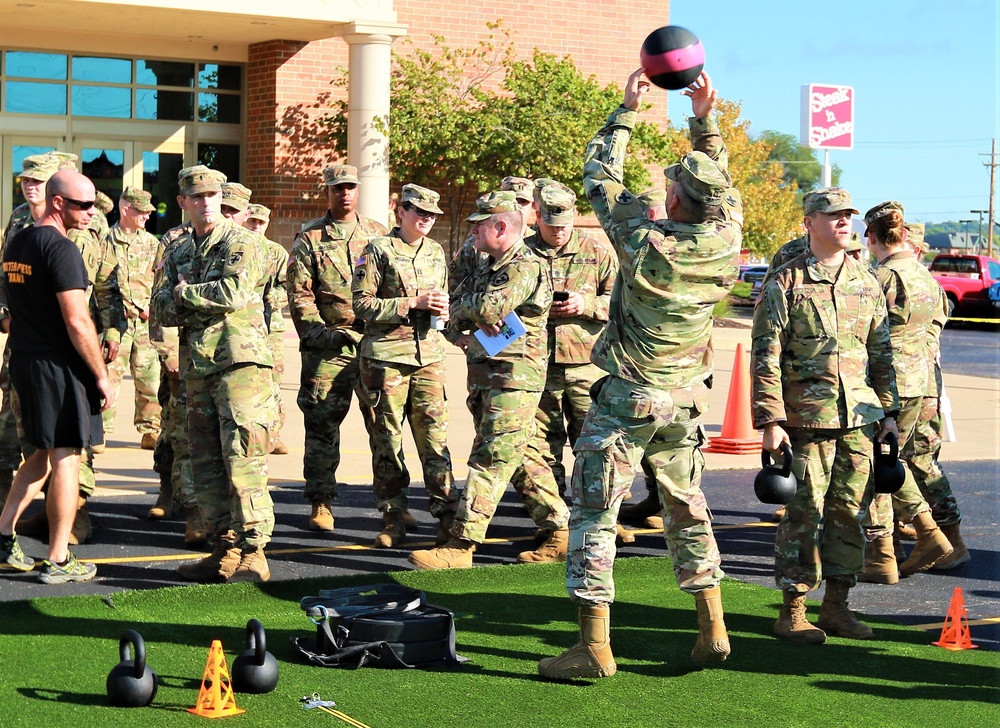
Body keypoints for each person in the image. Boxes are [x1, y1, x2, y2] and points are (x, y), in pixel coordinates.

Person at [538, 70, 738, 681]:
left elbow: (599, 177)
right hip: (683, 402)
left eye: (670, 183)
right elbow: (721, 190)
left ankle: (594, 648)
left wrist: (626, 110)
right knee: (688, 506)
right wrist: (705, 120)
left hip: (629, 397)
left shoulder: (645, 240)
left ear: (674, 200)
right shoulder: (726, 241)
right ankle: (713, 629)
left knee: (595, 512)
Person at [751, 187, 900, 645]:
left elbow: (881, 351)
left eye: (848, 216)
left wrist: (889, 412)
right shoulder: (785, 282)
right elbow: (765, 355)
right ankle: (793, 609)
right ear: (808, 223)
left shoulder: (865, 280)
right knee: (803, 515)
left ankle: (837, 606)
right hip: (804, 422)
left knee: (850, 514)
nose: (843, 222)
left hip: (858, 418)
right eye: (833, 215)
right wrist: (771, 421)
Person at [409, 190, 570, 570]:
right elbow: (455, 304)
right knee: (522, 454)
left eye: (479, 226)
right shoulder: (489, 266)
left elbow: (484, 306)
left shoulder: (523, 266)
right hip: (487, 374)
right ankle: (560, 528)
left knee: (491, 458)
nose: (473, 233)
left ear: (500, 226)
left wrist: (474, 308)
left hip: (515, 378)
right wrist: (469, 315)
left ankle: (461, 544)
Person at [151, 166, 274, 583]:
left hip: (240, 363)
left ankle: (255, 550)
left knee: (243, 457)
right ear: (183, 201)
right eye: (196, 196)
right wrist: (184, 298)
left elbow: (235, 292)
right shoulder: (179, 251)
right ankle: (224, 548)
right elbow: (160, 308)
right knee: (205, 462)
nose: (205, 203)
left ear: (222, 198)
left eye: (212, 195)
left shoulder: (243, 242)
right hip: (198, 368)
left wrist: (185, 293)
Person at [0, 170, 114, 584]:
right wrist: (100, 375)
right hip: (56, 367)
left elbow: (12, 312)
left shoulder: (19, 242)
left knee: (40, 455)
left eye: (95, 203)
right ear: (59, 203)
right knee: (67, 457)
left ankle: (2, 534)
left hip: (26, 363)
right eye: (83, 205)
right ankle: (59, 558)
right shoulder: (61, 248)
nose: (91, 212)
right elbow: (78, 320)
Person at [352, 184, 459, 548]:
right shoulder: (377, 249)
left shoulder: (435, 251)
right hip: (386, 360)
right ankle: (393, 515)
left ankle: (446, 517)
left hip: (429, 357)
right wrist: (413, 302)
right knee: (387, 440)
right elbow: (362, 306)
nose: (426, 220)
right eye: (419, 212)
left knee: (435, 440)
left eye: (431, 215)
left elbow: (443, 300)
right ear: (401, 211)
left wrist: (444, 311)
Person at [286, 164, 387, 531]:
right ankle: (321, 502)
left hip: (373, 343)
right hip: (328, 349)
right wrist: (322, 335)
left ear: (357, 191)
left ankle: (391, 503)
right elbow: (299, 295)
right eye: (337, 188)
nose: (344, 193)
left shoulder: (377, 234)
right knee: (321, 426)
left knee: (383, 425)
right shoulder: (310, 238)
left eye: (350, 187)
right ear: (327, 193)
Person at [858, 202, 952, 584]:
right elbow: (934, 331)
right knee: (886, 462)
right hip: (917, 383)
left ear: (872, 236)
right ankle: (899, 547)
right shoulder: (924, 276)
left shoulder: (878, 278)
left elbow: (859, 332)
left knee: (876, 466)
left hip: (883, 386)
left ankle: (893, 550)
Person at [513, 183, 616, 499]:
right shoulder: (522, 254)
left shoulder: (596, 252)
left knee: (597, 444)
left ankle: (600, 513)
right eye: (552, 225)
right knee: (543, 446)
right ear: (538, 216)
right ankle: (554, 516)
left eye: (566, 225)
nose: (559, 232)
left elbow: (619, 301)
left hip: (587, 367)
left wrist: (585, 305)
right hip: (538, 367)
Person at [902, 224, 969, 569]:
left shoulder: (919, 284)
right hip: (921, 383)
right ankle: (918, 527)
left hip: (919, 385)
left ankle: (951, 540)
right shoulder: (925, 284)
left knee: (921, 462)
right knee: (914, 461)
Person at [0, 154, 61, 507]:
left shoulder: (77, 221)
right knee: (10, 416)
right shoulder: (19, 218)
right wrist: (4, 314)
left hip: (58, 340)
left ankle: (65, 509)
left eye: (37, 181)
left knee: (57, 426)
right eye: (26, 180)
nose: (30, 186)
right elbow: (4, 274)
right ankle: (6, 504)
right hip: (21, 339)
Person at [102, 187, 162, 451]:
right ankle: (101, 429)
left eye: (149, 213)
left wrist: (153, 304)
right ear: (126, 209)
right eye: (142, 211)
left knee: (149, 378)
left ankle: (151, 429)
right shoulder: (105, 240)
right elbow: (101, 282)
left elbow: (160, 279)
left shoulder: (152, 243)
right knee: (108, 376)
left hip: (146, 323)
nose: (147, 217)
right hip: (116, 321)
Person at [245, 204, 291, 455]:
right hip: (244, 327)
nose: (256, 226)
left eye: (260, 223)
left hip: (270, 327)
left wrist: (274, 297)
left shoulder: (276, 252)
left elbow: (289, 286)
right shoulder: (238, 247)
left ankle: (274, 434)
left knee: (273, 382)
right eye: (252, 221)